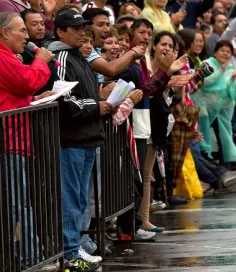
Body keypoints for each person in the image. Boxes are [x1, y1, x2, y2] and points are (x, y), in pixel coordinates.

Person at [47, 9, 111, 271]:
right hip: (71, 139)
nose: (82, 32)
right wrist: (98, 106)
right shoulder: (61, 56)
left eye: (83, 27)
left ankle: (77, 248)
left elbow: (85, 96)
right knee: (71, 199)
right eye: (75, 28)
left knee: (81, 199)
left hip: (86, 137)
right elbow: (66, 100)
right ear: (61, 32)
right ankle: (71, 252)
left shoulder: (78, 56)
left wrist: (102, 104)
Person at [0, 11, 54, 266]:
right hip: (9, 141)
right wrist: (41, 60)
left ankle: (28, 257)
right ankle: (32, 259)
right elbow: (26, 81)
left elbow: (15, 94)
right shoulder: (2, 57)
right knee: (19, 204)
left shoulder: (8, 56)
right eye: (21, 30)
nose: (26, 35)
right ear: (4, 33)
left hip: (16, 140)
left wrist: (35, 100)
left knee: (21, 202)